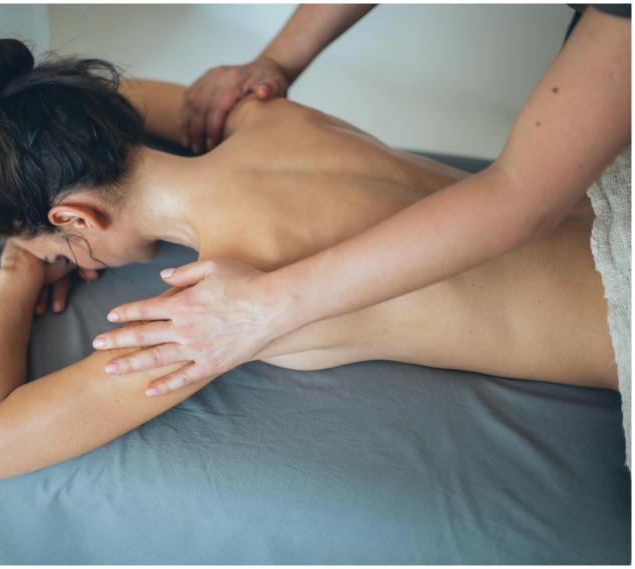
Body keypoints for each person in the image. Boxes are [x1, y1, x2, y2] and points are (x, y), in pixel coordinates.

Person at [0, 39, 616, 481]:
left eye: (62, 245)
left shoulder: (221, 306)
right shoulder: (264, 117)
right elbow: (113, 96)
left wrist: (17, 272)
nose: (73, 260)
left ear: (75, 218)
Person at [94, 5, 631, 403]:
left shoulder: (238, 265)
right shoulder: (263, 118)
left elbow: (522, 198)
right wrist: (277, 58)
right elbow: (93, 106)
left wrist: (266, 306)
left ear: (73, 217)